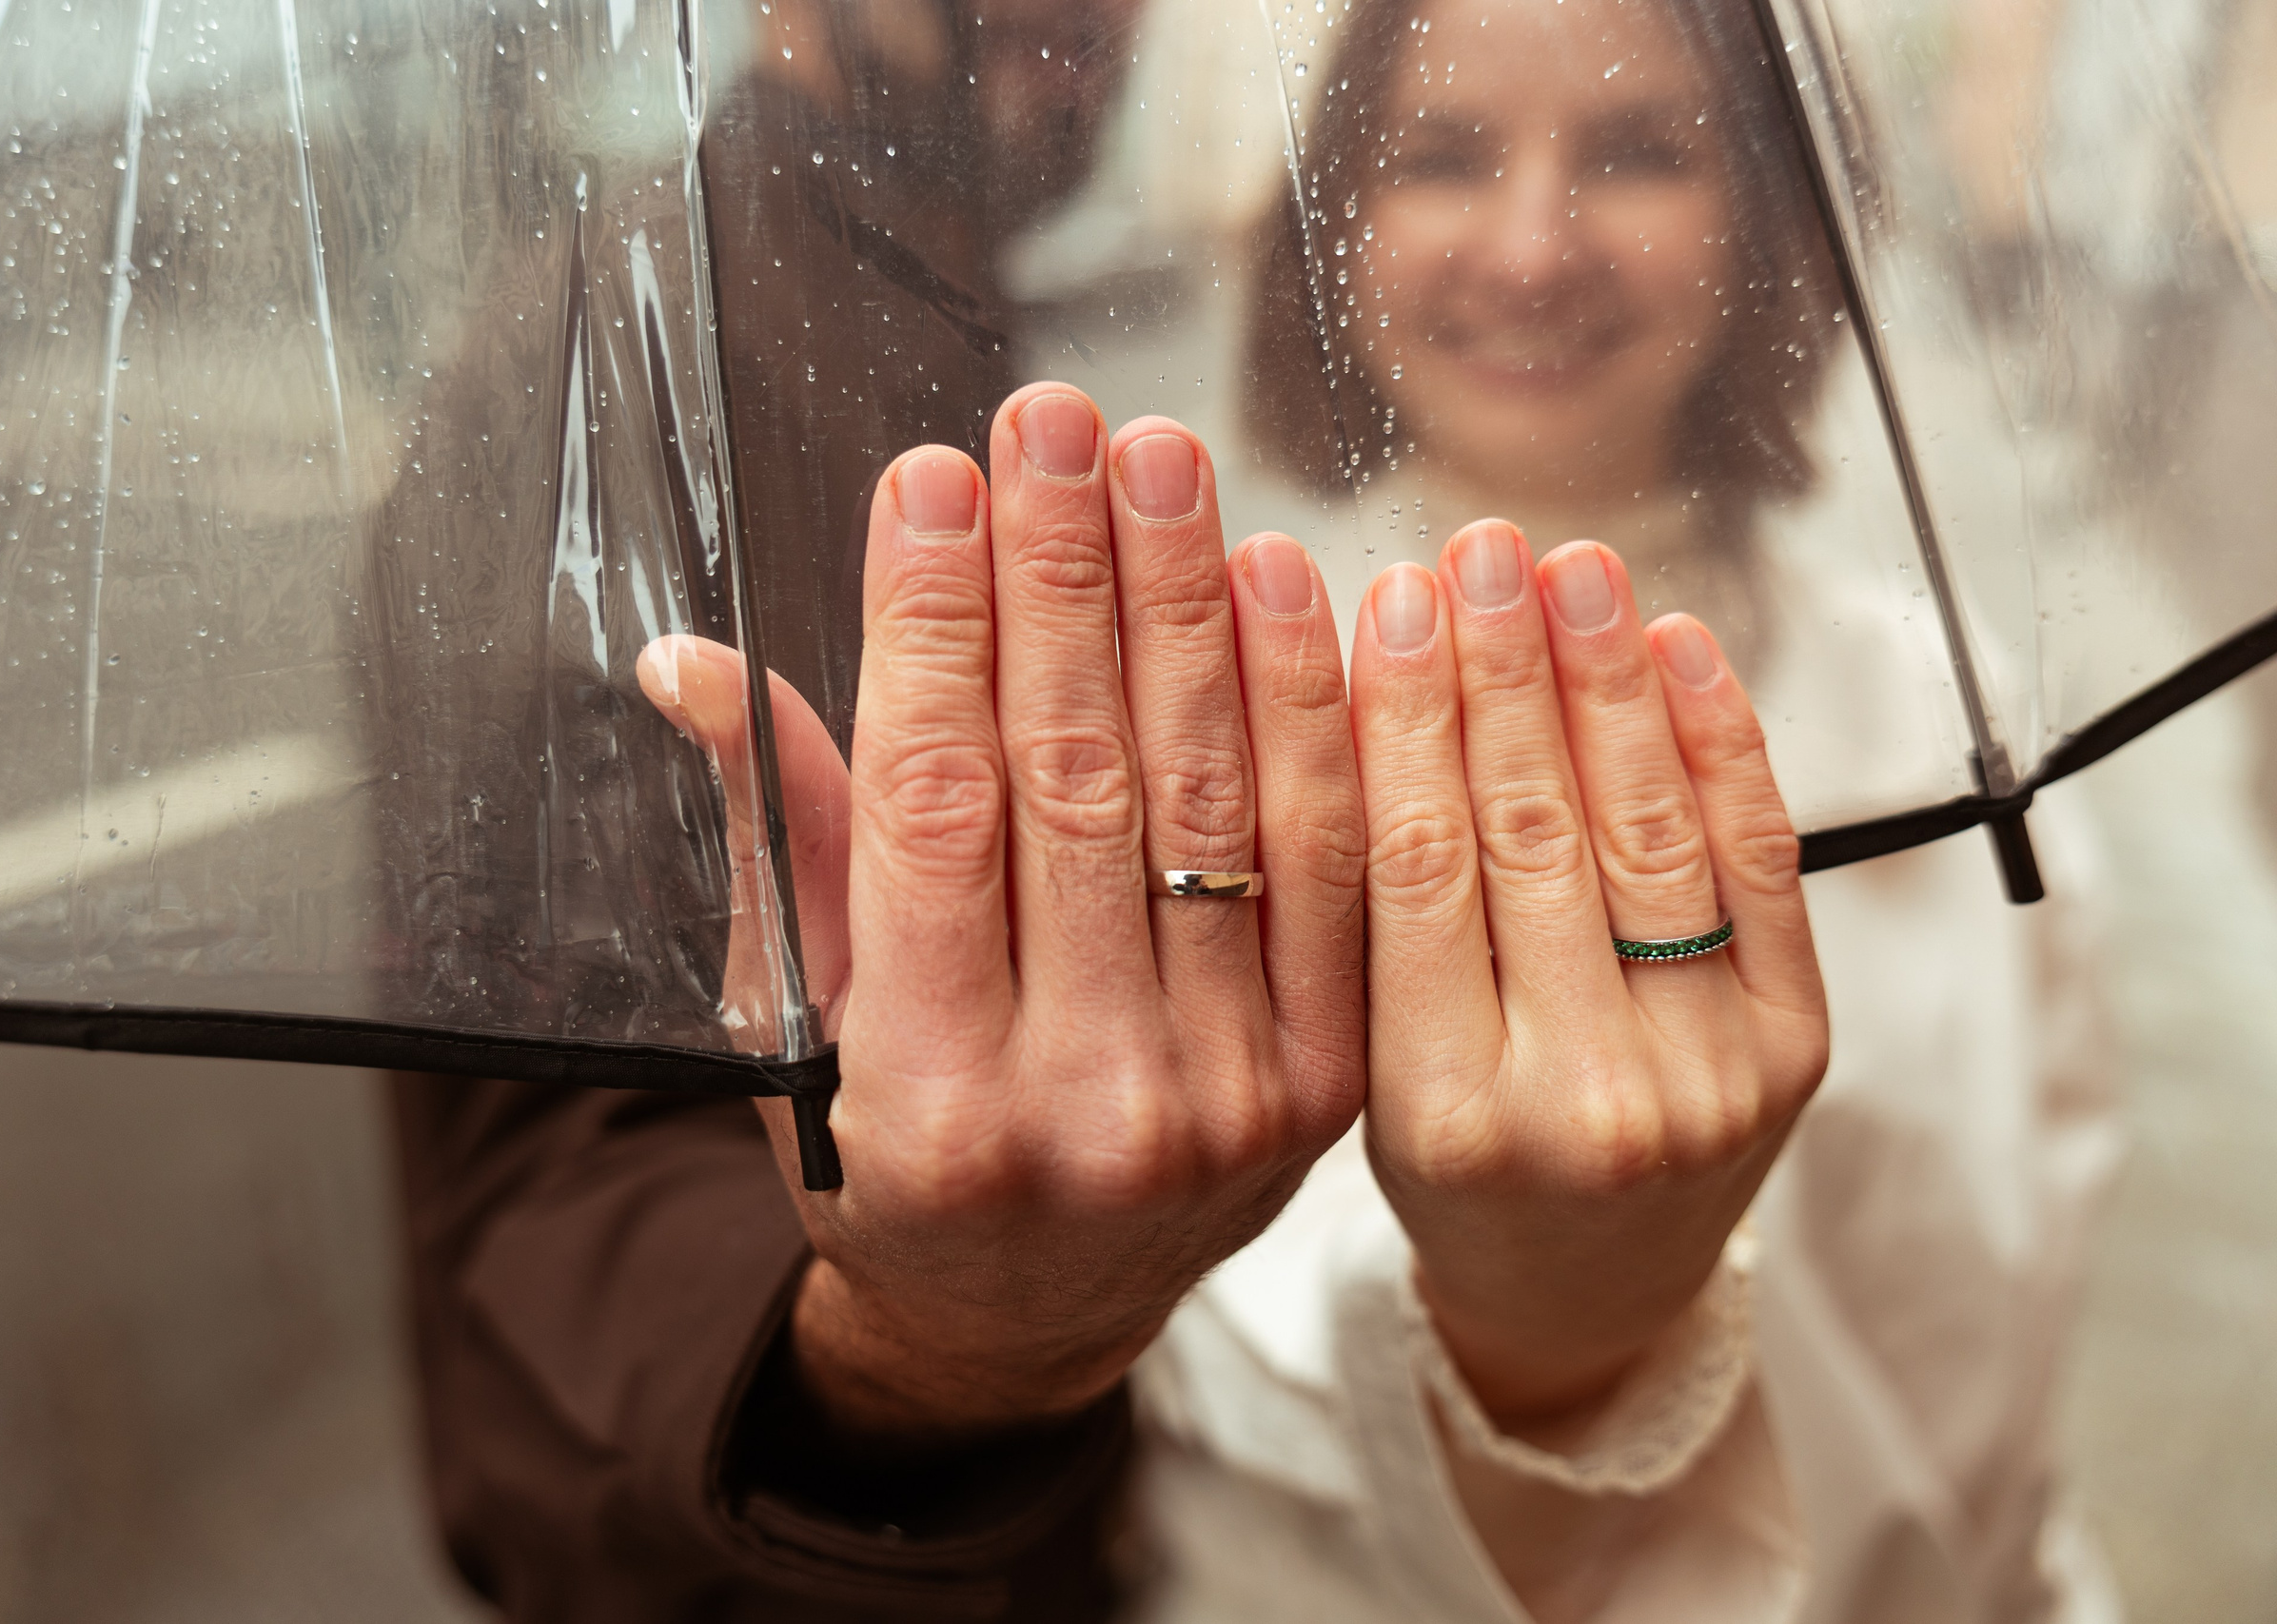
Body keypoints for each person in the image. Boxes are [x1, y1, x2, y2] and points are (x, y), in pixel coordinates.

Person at [387, 4, 2118, 1623]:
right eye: (1440, 157)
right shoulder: (1223, 704)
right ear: (1335, 215)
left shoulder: (1946, 704)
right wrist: (1562, 1349)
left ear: (1772, 213)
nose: (1533, 242)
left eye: (1642, 151)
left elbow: (2009, 1362)